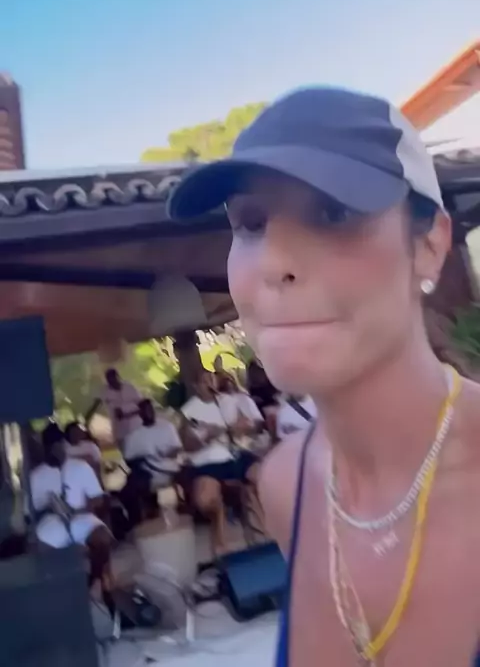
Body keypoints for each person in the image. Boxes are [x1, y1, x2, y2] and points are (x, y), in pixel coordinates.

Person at [168, 86, 480, 666]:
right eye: (250, 222)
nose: (274, 263)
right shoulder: (285, 485)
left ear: (430, 245)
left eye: (333, 213)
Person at [30, 423, 113, 604]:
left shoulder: (80, 467)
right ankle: (61, 592)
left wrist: (82, 509)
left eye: (61, 444)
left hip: (81, 517)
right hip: (52, 521)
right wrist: (49, 506)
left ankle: (95, 582)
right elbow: (29, 514)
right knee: (38, 550)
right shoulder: (35, 476)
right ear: (46, 449)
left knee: (102, 538)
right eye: (54, 446)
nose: (59, 449)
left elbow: (98, 498)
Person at [180, 371, 259, 554]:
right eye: (204, 381)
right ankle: (220, 537)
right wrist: (207, 437)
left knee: (262, 476)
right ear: (196, 386)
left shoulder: (228, 401)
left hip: (234, 456)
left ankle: (264, 536)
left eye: (211, 379)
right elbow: (187, 446)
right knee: (206, 500)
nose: (209, 383)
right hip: (207, 463)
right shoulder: (189, 411)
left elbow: (250, 426)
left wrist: (241, 427)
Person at [87, 368, 141, 451]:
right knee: (124, 449)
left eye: (113, 379)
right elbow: (96, 404)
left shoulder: (129, 387)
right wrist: (87, 418)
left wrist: (128, 414)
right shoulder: (105, 391)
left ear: (118, 377)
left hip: (135, 425)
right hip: (119, 428)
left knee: (139, 447)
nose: (112, 382)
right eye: (109, 380)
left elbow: (141, 404)